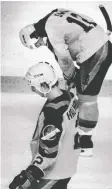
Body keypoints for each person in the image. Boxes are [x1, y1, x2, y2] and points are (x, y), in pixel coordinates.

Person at [19, 7, 112, 156]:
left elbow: (64, 58)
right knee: (82, 93)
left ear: (35, 36)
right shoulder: (53, 16)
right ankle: (80, 132)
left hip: (96, 52)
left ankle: (86, 144)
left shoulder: (50, 30)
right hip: (96, 45)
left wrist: (70, 78)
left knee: (87, 98)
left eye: (36, 44)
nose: (38, 46)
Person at [9, 61, 80, 189]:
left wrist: (30, 173)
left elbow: (49, 152)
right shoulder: (70, 96)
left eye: (34, 87)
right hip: (68, 162)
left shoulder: (53, 113)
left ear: (44, 85)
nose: (32, 90)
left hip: (55, 171)